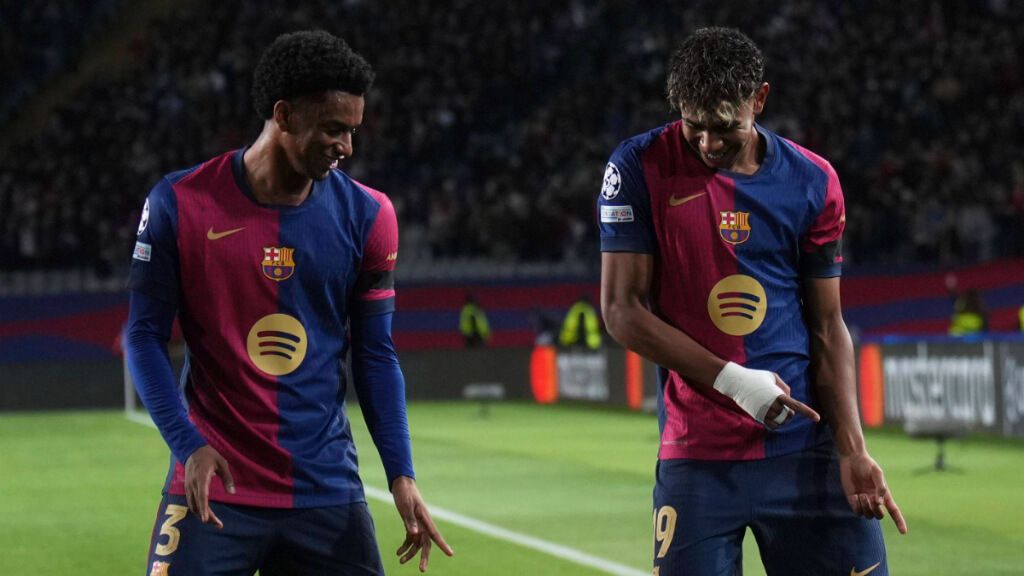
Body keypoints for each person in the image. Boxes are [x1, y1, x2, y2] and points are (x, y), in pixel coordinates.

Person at [125, 30, 452, 575]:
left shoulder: (369, 216)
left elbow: (375, 354)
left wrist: (401, 473)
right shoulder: (179, 204)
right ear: (283, 115)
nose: (347, 147)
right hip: (213, 483)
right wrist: (188, 445)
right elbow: (142, 335)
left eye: (352, 131)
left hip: (324, 491)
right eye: (333, 129)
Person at [598, 27, 906, 575]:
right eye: (695, 126)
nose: (709, 143)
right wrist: (733, 379)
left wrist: (853, 448)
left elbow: (829, 325)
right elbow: (622, 311)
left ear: (759, 100)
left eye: (726, 127)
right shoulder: (638, 167)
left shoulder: (813, 180)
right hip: (698, 459)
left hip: (804, 451)